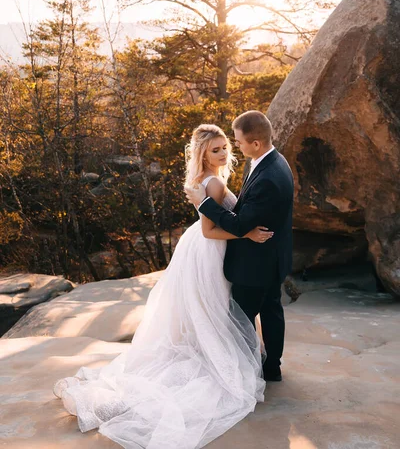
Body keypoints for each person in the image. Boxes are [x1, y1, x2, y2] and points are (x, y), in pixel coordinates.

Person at [53, 123, 273, 449]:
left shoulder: (208, 179)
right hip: (208, 249)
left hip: (198, 246)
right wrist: (249, 234)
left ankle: (204, 345)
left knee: (208, 306)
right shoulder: (211, 183)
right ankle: (206, 353)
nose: (224, 153)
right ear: (203, 154)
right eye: (216, 149)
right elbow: (212, 231)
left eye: (226, 146)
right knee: (212, 306)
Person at [185, 111, 294, 382]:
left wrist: (204, 203)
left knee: (240, 318)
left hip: (256, 263)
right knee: (269, 311)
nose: (235, 148)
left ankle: (244, 372)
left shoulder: (267, 175)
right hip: (270, 256)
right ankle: (270, 368)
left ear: (255, 143)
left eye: (237, 142)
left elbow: (241, 224)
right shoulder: (275, 162)